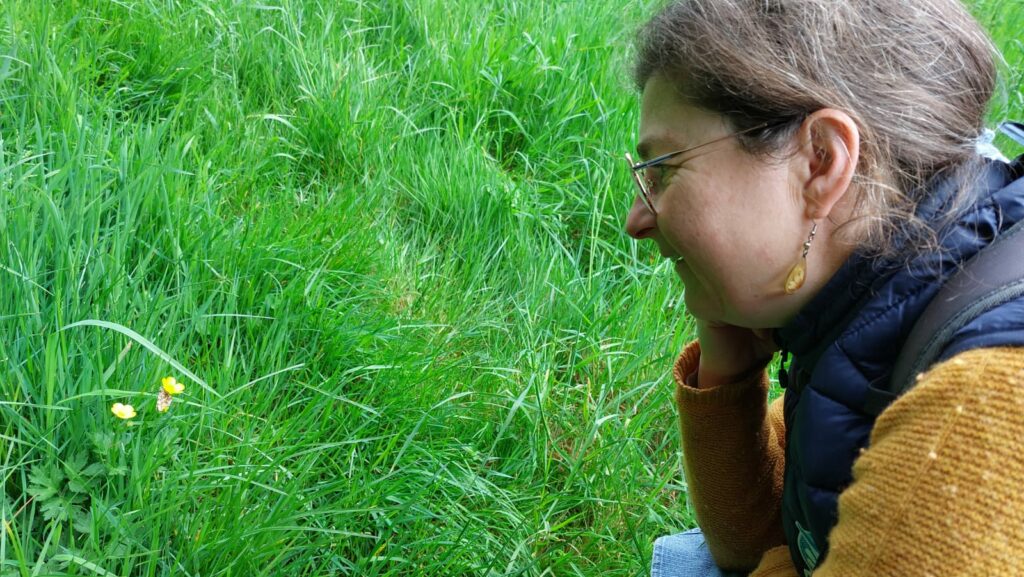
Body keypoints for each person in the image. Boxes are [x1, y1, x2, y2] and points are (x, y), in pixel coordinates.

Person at [622, 1, 1024, 576]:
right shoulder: (870, 296)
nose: (637, 219)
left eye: (663, 169)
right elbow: (763, 541)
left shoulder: (979, 408)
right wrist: (727, 363)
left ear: (820, 162)